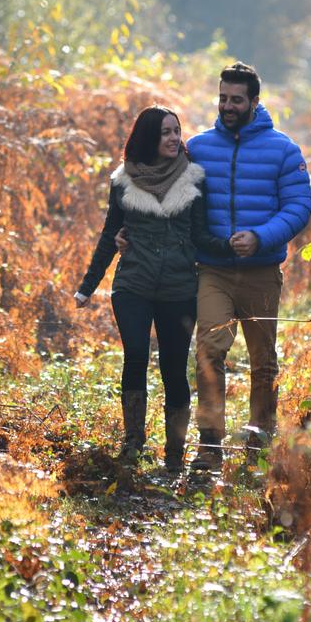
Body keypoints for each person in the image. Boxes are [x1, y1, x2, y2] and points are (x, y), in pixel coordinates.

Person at [74, 106, 233, 472]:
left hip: (179, 288)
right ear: (148, 137)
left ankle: (174, 452)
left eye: (176, 131)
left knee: (174, 368)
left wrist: (233, 248)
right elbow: (108, 235)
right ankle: (133, 445)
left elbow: (200, 235)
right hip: (133, 285)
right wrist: (88, 285)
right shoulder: (123, 181)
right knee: (135, 355)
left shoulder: (194, 180)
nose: (174, 138)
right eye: (165, 132)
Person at [184, 62, 311, 471]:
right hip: (214, 270)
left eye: (236, 99)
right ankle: (210, 443)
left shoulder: (284, 150)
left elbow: (298, 207)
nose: (227, 106)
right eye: (222, 98)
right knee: (209, 349)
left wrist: (261, 236)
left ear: (255, 102)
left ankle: (259, 440)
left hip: (261, 272)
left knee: (263, 360)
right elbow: (169, 192)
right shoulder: (199, 148)